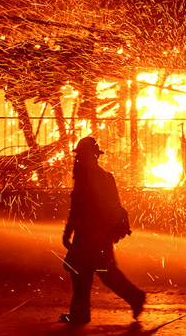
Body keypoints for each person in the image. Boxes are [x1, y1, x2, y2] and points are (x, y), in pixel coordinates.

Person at [61, 136, 146, 324]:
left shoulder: (87, 178)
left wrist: (68, 233)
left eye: (81, 155)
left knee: (92, 273)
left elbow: (77, 209)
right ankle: (79, 314)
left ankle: (134, 297)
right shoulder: (102, 177)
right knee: (94, 273)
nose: (79, 159)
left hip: (90, 237)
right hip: (98, 236)